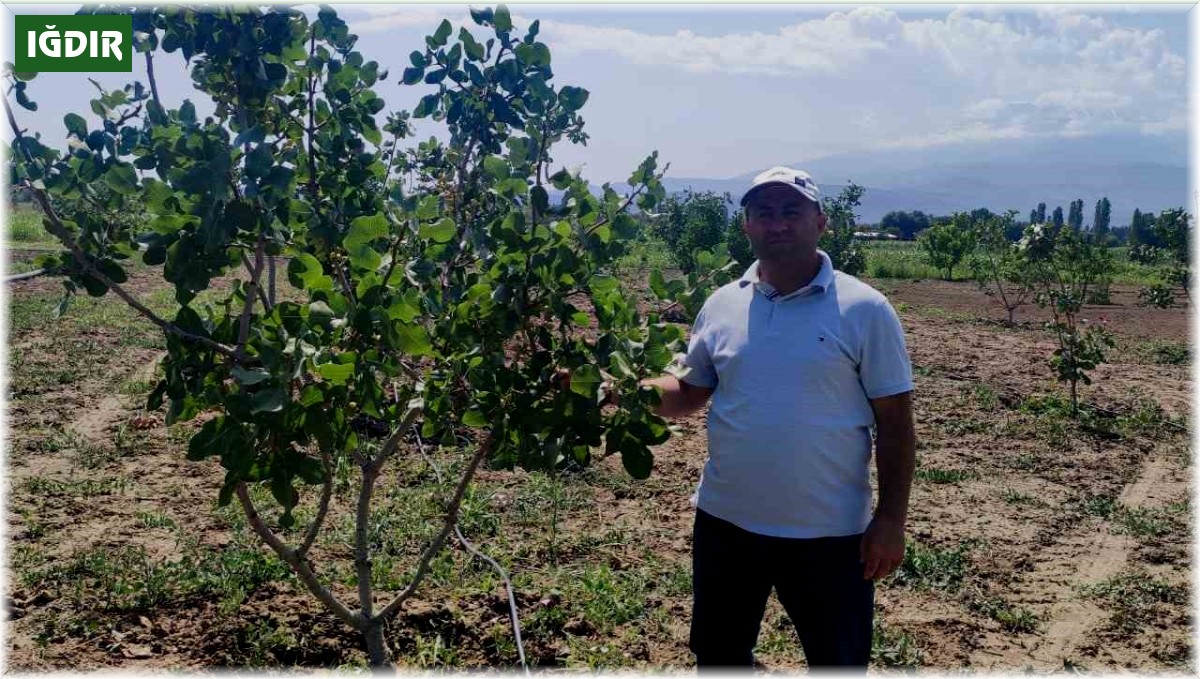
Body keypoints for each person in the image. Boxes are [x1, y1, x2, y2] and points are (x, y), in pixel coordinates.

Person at [639, 166, 917, 671]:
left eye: (792, 211)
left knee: (838, 661)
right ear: (746, 226)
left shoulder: (865, 310)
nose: (777, 224)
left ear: (821, 222)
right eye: (763, 213)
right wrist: (614, 391)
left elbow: (896, 423)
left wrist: (891, 520)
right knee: (720, 654)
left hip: (830, 535)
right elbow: (688, 390)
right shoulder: (723, 304)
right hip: (727, 522)